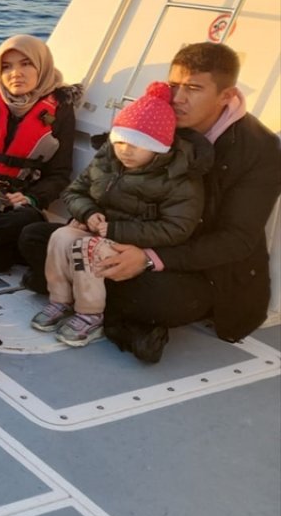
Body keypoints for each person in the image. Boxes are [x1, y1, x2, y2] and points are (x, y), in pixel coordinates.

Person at [19, 42, 281, 363]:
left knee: (162, 300)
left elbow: (235, 241)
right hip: (123, 233)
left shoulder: (259, 150)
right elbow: (105, 176)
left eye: (194, 88)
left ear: (226, 96)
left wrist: (148, 258)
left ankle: (93, 304)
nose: (179, 98)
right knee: (36, 237)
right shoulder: (154, 117)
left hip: (195, 267)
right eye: (174, 85)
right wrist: (90, 215)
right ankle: (98, 302)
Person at [32, 82, 210, 347]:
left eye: (138, 144)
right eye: (121, 141)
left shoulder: (178, 179)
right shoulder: (109, 158)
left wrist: (115, 231)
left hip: (134, 242)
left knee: (87, 248)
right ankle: (61, 300)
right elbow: (74, 191)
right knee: (60, 236)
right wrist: (89, 212)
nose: (126, 150)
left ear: (159, 146)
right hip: (99, 229)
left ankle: (89, 315)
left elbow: (176, 228)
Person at [0, 34, 79, 273]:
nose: (15, 73)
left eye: (26, 64)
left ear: (42, 67)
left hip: (10, 201)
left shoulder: (61, 110)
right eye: (7, 66)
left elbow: (60, 173)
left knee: (26, 222)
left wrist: (31, 198)